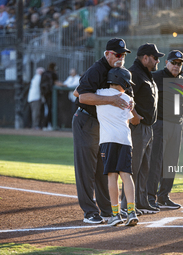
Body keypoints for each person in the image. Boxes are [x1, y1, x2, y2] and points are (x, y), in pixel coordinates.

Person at [72, 38, 132, 224]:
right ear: (107, 54)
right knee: (86, 169)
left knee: (102, 168)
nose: (120, 57)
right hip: (86, 120)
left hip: (103, 125)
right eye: (117, 54)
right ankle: (89, 212)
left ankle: (107, 210)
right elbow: (80, 95)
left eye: (123, 54)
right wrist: (111, 100)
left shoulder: (119, 72)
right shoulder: (98, 69)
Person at [121, 43, 164, 214]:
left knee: (144, 167)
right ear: (145, 58)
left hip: (148, 127)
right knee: (133, 167)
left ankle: (141, 201)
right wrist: (134, 117)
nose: (157, 61)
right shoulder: (134, 74)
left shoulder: (146, 74)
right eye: (155, 58)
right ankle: (126, 205)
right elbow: (125, 98)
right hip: (138, 128)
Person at [96, 67, 138, 226]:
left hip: (108, 140)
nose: (127, 86)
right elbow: (130, 120)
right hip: (126, 140)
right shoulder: (128, 99)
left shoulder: (99, 93)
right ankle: (131, 211)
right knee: (126, 175)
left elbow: (80, 94)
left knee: (112, 177)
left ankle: (115, 215)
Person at [147, 50, 183, 210]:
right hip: (160, 124)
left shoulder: (182, 81)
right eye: (174, 62)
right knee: (156, 161)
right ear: (167, 63)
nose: (176, 66)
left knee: (171, 162)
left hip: (177, 125)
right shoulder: (156, 77)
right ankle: (150, 197)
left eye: (179, 63)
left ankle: (164, 196)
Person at [40, 62, 63, 130]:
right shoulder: (52, 74)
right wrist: (63, 85)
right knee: (50, 110)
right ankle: (48, 125)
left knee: (48, 110)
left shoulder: (44, 74)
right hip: (50, 95)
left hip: (45, 95)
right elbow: (56, 82)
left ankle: (47, 125)